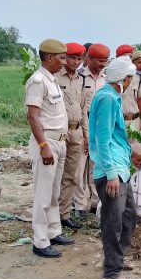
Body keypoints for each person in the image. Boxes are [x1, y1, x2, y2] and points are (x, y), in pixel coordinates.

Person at [89, 55, 138, 279]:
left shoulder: (112, 97)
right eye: (130, 78)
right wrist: (110, 174)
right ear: (124, 78)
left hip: (120, 168)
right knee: (113, 220)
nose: (131, 82)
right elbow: (103, 138)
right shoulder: (107, 98)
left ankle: (118, 259)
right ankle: (112, 271)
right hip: (112, 170)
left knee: (128, 215)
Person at [24, 39, 75, 258]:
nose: (65, 62)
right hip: (47, 143)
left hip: (59, 142)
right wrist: (43, 146)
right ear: (50, 57)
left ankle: (54, 231)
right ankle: (40, 241)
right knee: (43, 195)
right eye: (62, 57)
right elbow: (33, 117)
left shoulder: (52, 80)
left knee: (54, 192)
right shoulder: (38, 81)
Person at [55, 42, 88, 230]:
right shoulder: (54, 78)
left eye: (79, 58)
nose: (76, 62)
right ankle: (52, 214)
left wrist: (85, 134)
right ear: (64, 57)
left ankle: (64, 214)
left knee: (71, 176)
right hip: (58, 130)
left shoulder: (80, 79)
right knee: (54, 175)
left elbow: (82, 109)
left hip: (76, 131)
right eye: (72, 57)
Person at [75, 43, 109, 219]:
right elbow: (79, 107)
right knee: (80, 166)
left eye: (106, 61)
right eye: (100, 61)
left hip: (101, 126)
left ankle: (96, 202)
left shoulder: (106, 78)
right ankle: (79, 205)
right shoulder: (80, 77)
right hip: (83, 124)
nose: (103, 65)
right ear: (90, 58)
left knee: (96, 166)